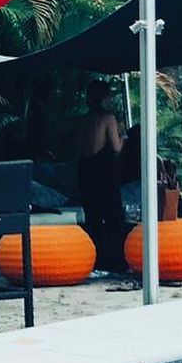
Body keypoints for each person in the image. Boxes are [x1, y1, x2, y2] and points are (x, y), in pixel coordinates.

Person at [78, 80, 124, 270]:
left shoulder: (84, 120)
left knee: (93, 218)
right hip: (102, 171)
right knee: (114, 218)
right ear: (105, 98)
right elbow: (116, 147)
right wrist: (124, 137)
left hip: (85, 170)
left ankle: (94, 260)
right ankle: (115, 261)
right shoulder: (107, 118)